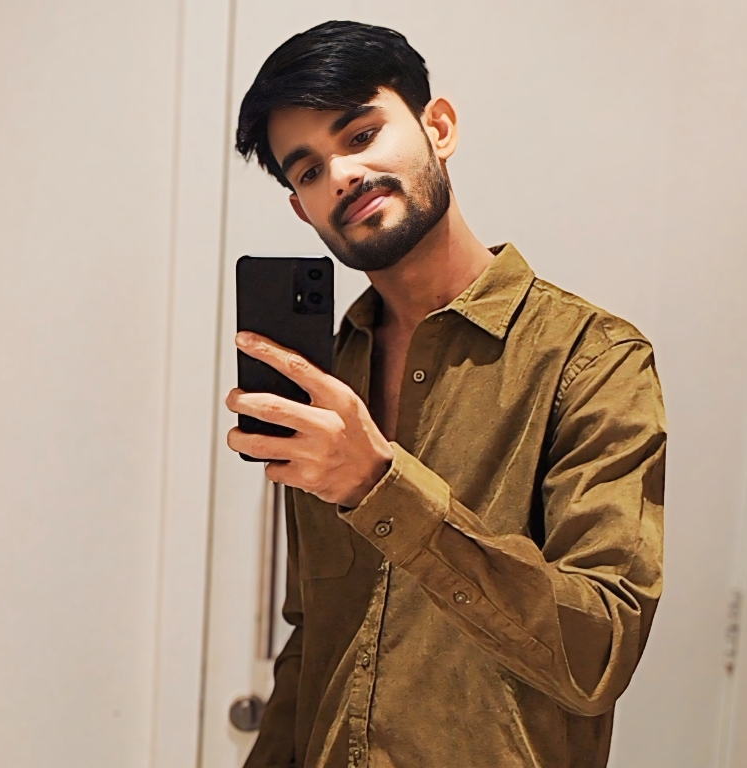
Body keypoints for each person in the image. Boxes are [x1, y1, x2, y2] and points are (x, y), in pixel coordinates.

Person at [225, 20, 666, 768]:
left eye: (361, 134)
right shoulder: (329, 378)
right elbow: (314, 634)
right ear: (302, 208)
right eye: (309, 171)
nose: (341, 174)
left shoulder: (593, 361)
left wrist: (379, 486)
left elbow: (599, 653)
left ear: (439, 127)